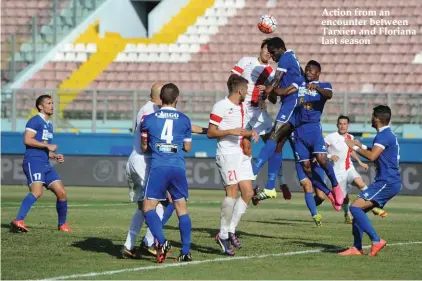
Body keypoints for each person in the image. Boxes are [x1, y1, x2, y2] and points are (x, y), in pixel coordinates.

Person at [231, 38, 291, 200]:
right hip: (241, 109)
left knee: (275, 143)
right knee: (243, 147)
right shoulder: (246, 61)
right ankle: (252, 184)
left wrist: (266, 94)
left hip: (257, 111)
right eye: (266, 49)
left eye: (271, 52)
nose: (268, 53)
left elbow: (272, 98)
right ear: (261, 48)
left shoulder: (272, 72)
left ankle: (281, 181)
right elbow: (231, 80)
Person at [207, 74, 259, 256]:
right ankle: (223, 234)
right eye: (245, 90)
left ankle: (231, 230)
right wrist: (231, 131)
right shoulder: (221, 106)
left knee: (249, 192)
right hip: (227, 153)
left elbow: (241, 129)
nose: (247, 93)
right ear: (240, 90)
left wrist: (249, 134)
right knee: (232, 192)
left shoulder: (242, 106)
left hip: (241, 154)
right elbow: (211, 132)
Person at [339, 105, 401, 256]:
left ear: (377, 119)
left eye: (373, 116)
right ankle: (357, 247)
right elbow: (379, 153)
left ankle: (376, 240)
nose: (371, 118)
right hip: (387, 181)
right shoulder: (386, 135)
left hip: (387, 181)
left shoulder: (383, 136)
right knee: (359, 212)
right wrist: (362, 145)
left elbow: (372, 156)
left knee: (354, 208)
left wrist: (354, 148)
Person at [141, 83, 193, 263]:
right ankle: (186, 252)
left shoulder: (148, 119)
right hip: (177, 167)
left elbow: (144, 146)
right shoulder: (185, 119)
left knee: (148, 207)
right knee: (182, 210)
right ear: (177, 98)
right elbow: (187, 147)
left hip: (158, 167)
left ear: (160, 99)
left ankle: (161, 242)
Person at [251, 37, 305, 201]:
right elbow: (297, 78)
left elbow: (276, 80)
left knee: (274, 136)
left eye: (273, 52)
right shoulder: (291, 58)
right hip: (290, 103)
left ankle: (252, 172)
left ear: (281, 48)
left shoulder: (286, 57)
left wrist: (267, 90)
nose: (272, 56)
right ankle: (270, 187)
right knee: (278, 144)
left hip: (292, 103)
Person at [10, 94, 71, 233]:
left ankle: (62, 225)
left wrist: (54, 156)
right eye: (48, 103)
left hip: (45, 163)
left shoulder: (49, 125)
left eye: (52, 103)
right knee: (37, 192)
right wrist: (48, 147)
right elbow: (27, 140)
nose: (52, 106)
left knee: (61, 193)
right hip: (33, 162)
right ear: (40, 106)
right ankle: (18, 220)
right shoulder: (35, 121)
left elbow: (43, 147)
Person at [292, 60, 344, 211]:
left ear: (318, 73)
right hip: (299, 131)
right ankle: (329, 194)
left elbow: (329, 95)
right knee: (307, 168)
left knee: (322, 159)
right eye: (306, 70)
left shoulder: (324, 85)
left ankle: (335, 186)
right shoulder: (300, 85)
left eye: (311, 70)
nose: (308, 72)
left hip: (314, 128)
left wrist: (317, 88)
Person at [121, 83, 164, 258]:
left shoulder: (146, 108)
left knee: (142, 206)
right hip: (143, 161)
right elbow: (149, 139)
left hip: (136, 159)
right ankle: (148, 242)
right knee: (161, 203)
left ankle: (128, 246)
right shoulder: (150, 111)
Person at [325, 115, 387, 223]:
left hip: (349, 169)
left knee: (361, 184)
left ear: (348, 125)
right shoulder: (330, 137)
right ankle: (347, 214)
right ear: (337, 125)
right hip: (336, 173)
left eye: (345, 124)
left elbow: (351, 151)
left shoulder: (350, 137)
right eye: (340, 124)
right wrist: (330, 156)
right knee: (344, 198)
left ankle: (373, 206)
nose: (342, 126)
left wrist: (359, 161)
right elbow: (320, 152)